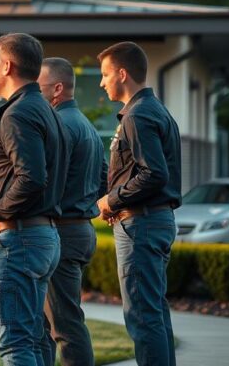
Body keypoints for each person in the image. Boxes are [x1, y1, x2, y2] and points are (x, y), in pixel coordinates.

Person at [0, 32, 66, 366]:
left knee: (14, 343)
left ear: (7, 65)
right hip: (40, 236)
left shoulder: (18, 114)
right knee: (33, 340)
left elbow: (32, 178)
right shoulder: (43, 108)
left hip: (20, 239)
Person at [96, 42, 181, 366]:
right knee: (153, 312)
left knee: (142, 317)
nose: (102, 83)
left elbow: (153, 174)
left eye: (105, 75)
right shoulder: (153, 109)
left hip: (142, 225)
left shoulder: (139, 114)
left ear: (122, 73)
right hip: (148, 220)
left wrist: (111, 200)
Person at [36, 57, 106, 366]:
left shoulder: (60, 124)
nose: (33, 95)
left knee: (64, 325)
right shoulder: (87, 125)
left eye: (38, 88)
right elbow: (104, 177)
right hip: (80, 228)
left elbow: (46, 181)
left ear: (58, 88)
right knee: (52, 324)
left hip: (62, 231)